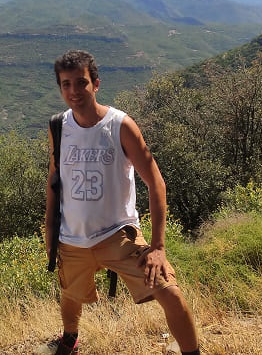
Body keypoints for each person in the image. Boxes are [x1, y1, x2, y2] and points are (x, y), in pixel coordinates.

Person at [43, 50, 200, 354]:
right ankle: (70, 339)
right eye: (66, 84)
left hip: (118, 235)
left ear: (96, 83)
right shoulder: (58, 127)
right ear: (60, 87)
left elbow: (156, 183)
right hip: (72, 237)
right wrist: (50, 232)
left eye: (81, 83)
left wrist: (158, 247)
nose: (74, 91)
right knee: (70, 293)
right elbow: (54, 181)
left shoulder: (120, 125)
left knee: (169, 291)